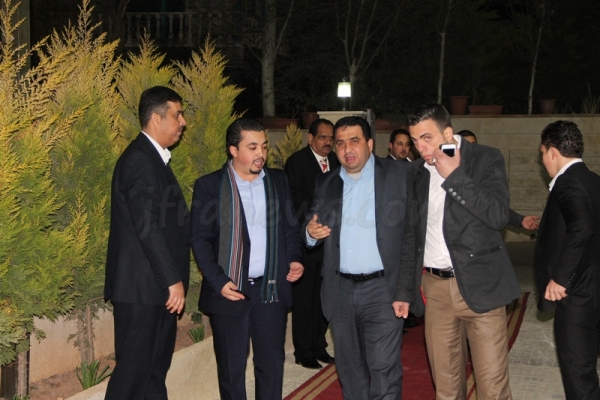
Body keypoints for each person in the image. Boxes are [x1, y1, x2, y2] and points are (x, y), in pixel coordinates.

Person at [394, 103, 521, 399]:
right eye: (415, 140)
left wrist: (455, 176)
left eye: (427, 138)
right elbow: (411, 235)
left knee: (492, 390)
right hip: (436, 291)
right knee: (447, 389)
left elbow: (498, 216)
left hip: (482, 287)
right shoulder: (416, 171)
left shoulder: (485, 158)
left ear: (448, 133)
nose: (420, 148)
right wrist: (403, 291)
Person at [191, 118, 304, 399]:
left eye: (264, 146)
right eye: (252, 147)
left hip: (271, 289)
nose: (261, 154)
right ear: (233, 149)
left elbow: (290, 229)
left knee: (272, 366)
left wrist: (294, 259)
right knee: (232, 372)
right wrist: (218, 281)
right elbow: (200, 240)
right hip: (230, 291)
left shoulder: (278, 180)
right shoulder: (210, 186)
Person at [304, 116, 408, 399]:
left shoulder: (398, 175)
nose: (347, 149)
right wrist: (310, 233)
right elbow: (310, 224)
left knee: (383, 369)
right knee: (350, 371)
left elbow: (414, 234)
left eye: (354, 141)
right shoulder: (326, 182)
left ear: (370, 144)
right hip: (340, 291)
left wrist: (407, 288)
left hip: (383, 289)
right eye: (340, 143)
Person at [104, 86, 190, 399]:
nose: (183, 122)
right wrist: (172, 280)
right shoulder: (140, 160)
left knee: (153, 373)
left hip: (154, 290)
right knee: (132, 377)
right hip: (141, 290)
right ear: (156, 119)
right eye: (177, 115)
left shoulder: (153, 159)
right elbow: (148, 226)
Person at [535, 120, 600, 399]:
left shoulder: (567, 183)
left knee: (579, 374)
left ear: (552, 152)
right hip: (594, 290)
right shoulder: (593, 180)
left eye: (542, 153)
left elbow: (581, 229)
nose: (542, 161)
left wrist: (560, 278)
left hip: (578, 296)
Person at [284, 118, 339, 369]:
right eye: (322, 137)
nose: (327, 142)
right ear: (311, 138)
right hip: (306, 241)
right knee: (305, 299)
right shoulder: (297, 162)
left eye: (330, 138)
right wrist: (315, 222)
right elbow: (294, 200)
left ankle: (319, 345)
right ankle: (303, 350)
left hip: (330, 243)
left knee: (323, 297)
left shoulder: (336, 161)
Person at [457, 129, 541, 231]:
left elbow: (491, 207)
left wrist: (520, 220)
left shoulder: (484, 170)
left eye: (474, 145)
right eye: (466, 145)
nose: (471, 149)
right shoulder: (447, 172)